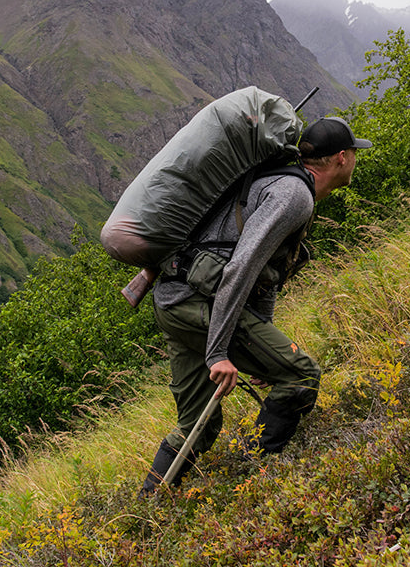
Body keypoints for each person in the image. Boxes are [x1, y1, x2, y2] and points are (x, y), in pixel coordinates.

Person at [140, 116, 372, 495]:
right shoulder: (294, 196)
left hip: (175, 300)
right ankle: (252, 485)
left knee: (198, 424)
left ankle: (145, 510)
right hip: (199, 305)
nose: (355, 161)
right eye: (355, 154)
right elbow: (242, 268)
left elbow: (267, 276)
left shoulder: (279, 182)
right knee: (301, 375)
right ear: (342, 158)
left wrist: (263, 349)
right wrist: (217, 353)